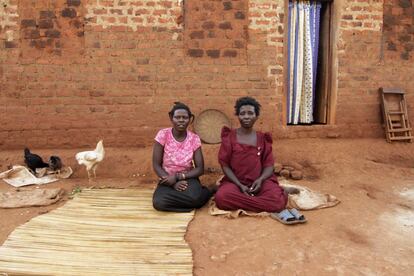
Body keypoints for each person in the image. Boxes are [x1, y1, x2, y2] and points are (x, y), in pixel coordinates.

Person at [214, 97, 288, 213]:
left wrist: (260, 179)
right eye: (242, 113)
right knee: (221, 198)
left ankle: (250, 200)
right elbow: (225, 165)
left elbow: (269, 166)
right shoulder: (229, 137)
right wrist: (239, 185)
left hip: (260, 182)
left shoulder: (263, 139)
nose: (246, 116)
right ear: (238, 116)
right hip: (235, 182)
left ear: (256, 116)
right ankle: (261, 202)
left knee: (277, 202)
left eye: (250, 113)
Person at [152, 102, 212, 212]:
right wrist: (173, 182)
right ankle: (189, 205)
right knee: (158, 203)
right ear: (171, 118)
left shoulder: (194, 139)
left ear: (190, 119)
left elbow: (200, 169)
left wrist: (178, 177)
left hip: (188, 177)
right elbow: (156, 164)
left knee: (195, 198)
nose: (181, 120)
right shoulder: (163, 135)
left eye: (184, 117)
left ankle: (208, 191)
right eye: (177, 117)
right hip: (167, 178)